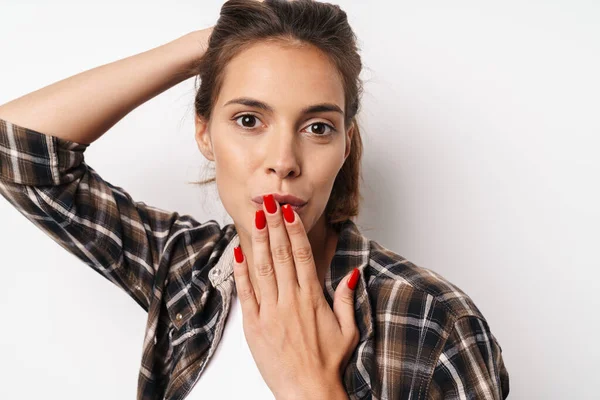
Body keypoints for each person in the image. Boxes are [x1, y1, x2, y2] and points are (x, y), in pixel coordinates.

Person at [0, 0, 509, 399]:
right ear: (204, 131)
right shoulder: (183, 267)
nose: (283, 160)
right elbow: (16, 148)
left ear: (345, 145)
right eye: (248, 120)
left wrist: (310, 389)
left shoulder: (432, 319)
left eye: (317, 127)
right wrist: (207, 48)